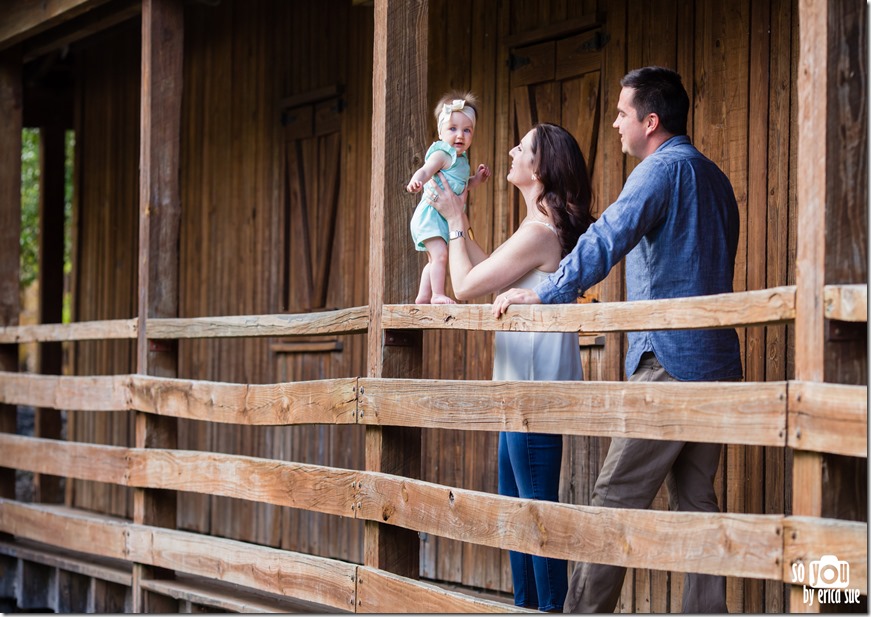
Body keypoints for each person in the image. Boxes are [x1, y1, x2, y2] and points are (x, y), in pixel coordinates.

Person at [490, 67, 742, 613]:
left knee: (612, 502)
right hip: (717, 361)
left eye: (623, 114)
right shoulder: (716, 179)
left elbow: (608, 236)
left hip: (669, 363)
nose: (615, 123)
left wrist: (551, 291)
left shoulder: (660, 170)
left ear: (651, 122)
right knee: (698, 502)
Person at [430, 123, 596, 612]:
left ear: (540, 168)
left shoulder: (541, 232)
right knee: (517, 518)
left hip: (532, 396)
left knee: (535, 520)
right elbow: (485, 272)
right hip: (516, 395)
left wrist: (455, 220)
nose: (510, 151)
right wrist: (461, 223)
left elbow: (463, 286)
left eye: (521, 148)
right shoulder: (536, 230)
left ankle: (548, 610)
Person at [407, 91, 491, 304]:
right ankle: (437, 295)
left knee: (436, 259)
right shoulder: (442, 154)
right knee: (441, 256)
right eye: (453, 129)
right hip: (430, 216)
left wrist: (477, 180)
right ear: (441, 131)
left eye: (467, 130)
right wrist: (417, 181)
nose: (460, 135)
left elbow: (462, 186)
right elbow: (426, 171)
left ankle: (423, 296)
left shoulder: (462, 161)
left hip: (442, 218)